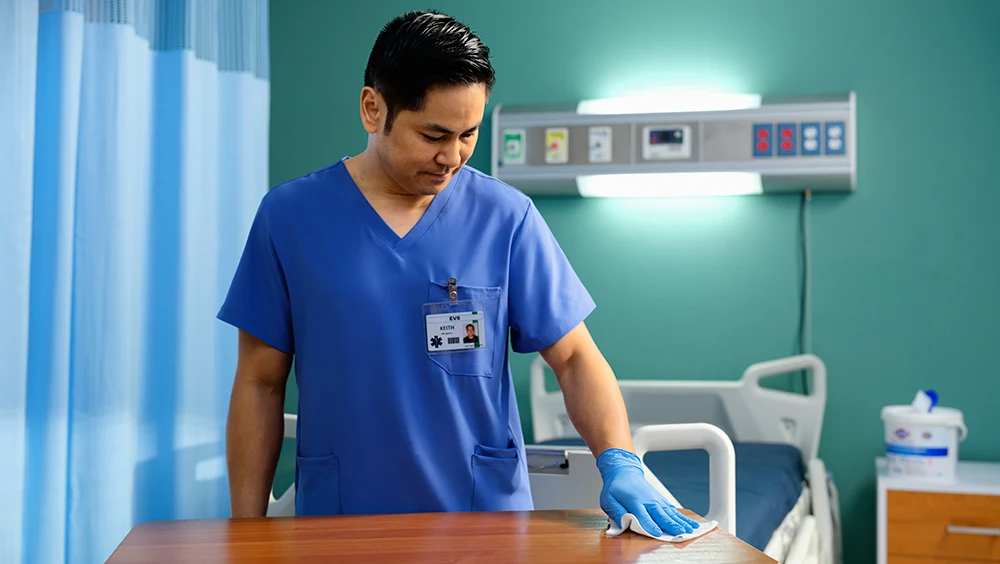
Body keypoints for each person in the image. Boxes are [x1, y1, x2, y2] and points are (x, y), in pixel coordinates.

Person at [218, 10, 698, 538]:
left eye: (469, 134)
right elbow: (260, 383)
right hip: (341, 521)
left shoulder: (505, 217)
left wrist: (618, 459)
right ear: (372, 108)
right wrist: (247, 529)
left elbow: (576, 357)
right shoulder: (290, 219)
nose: (453, 157)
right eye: (433, 135)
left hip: (483, 521)